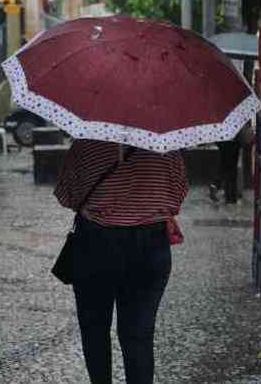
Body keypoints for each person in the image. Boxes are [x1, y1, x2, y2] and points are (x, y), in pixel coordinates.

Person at [54, 139, 187, 384]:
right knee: (139, 335)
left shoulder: (86, 144)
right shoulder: (165, 145)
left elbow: (66, 195)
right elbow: (177, 196)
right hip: (150, 246)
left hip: (95, 244)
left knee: (94, 330)